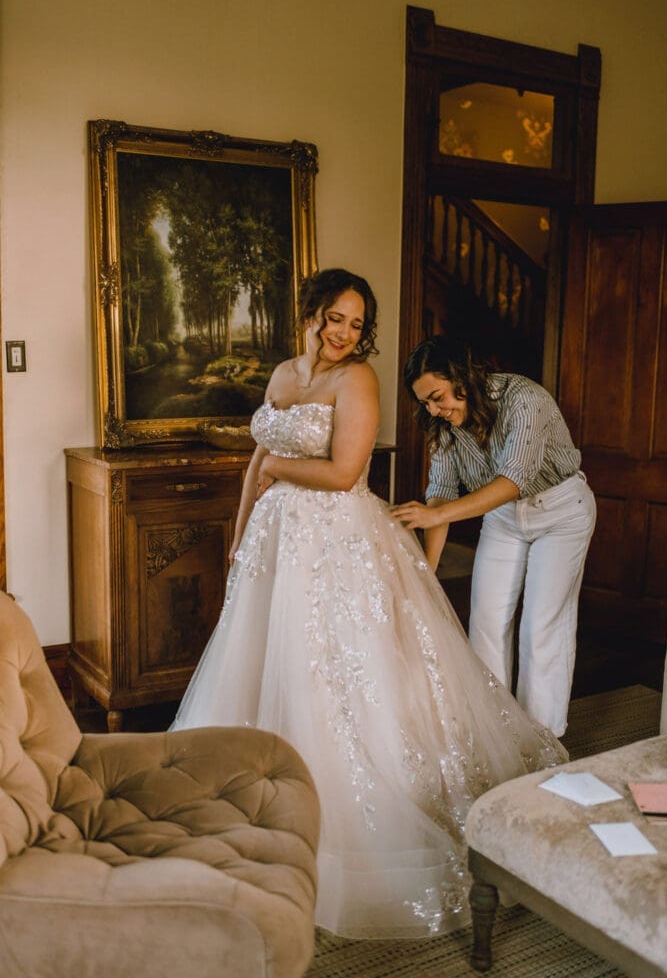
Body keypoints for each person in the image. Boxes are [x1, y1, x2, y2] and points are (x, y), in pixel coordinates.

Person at [171, 269, 567, 941]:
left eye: (356, 323)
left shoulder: (357, 381)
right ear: (311, 313)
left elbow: (343, 473)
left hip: (332, 537)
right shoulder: (281, 376)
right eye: (336, 318)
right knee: (264, 658)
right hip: (275, 537)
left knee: (336, 668)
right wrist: (239, 533)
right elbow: (253, 462)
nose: (344, 333)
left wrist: (274, 474)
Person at [393, 335, 597, 738]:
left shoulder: (525, 398)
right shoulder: (444, 424)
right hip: (503, 518)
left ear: (461, 378)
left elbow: (512, 481)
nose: (434, 410)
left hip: (561, 513)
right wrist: (426, 574)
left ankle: (542, 738)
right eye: (425, 404)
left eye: (437, 397)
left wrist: (435, 513)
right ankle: (495, 734)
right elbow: (441, 494)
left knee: (541, 626)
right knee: (485, 620)